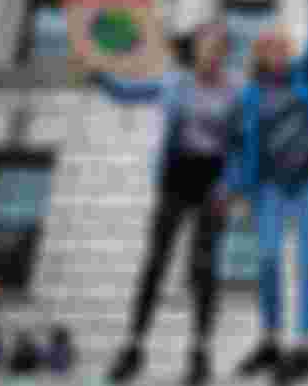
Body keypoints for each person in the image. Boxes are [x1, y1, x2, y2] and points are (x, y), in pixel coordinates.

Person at [75, 20, 237, 386]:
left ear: (225, 52)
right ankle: (133, 349)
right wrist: (97, 73)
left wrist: (229, 186)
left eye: (218, 45)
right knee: (155, 264)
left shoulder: (236, 90)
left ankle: (199, 353)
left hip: (213, 181)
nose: (211, 50)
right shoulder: (172, 83)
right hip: (175, 179)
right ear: (194, 49)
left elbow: (243, 142)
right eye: (205, 43)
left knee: (203, 267)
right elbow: (125, 92)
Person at [219, 0, 308, 386]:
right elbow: (237, 144)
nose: (275, 52)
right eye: (267, 47)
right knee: (268, 257)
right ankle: (270, 338)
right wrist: (231, 185)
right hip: (268, 185)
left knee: (306, 260)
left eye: (281, 46)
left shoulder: (304, 76)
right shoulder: (249, 94)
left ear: (288, 51)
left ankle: (304, 342)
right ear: (258, 56)